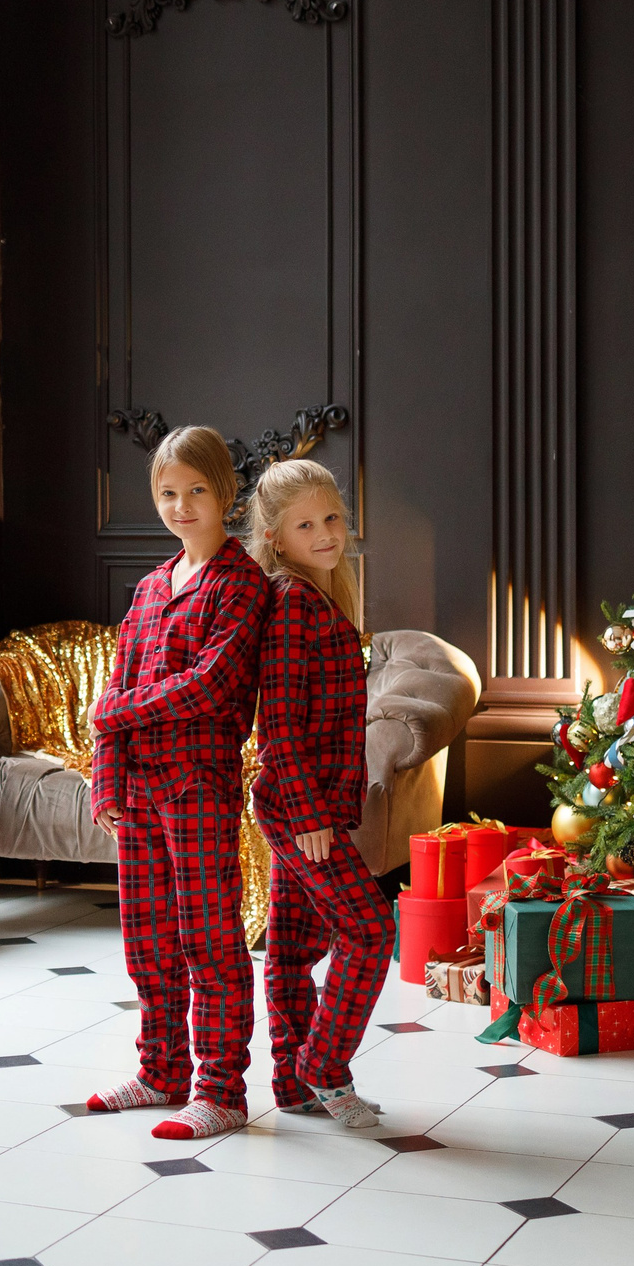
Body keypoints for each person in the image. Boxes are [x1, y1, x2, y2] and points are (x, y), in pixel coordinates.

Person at [85, 427, 271, 1141]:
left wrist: (118, 710)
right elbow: (118, 684)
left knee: (207, 939)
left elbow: (211, 685)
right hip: (136, 795)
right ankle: (160, 1071)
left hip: (197, 787)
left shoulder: (241, 584)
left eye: (196, 490)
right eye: (168, 493)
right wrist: (107, 782)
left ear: (226, 493)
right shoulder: (150, 586)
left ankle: (220, 1089)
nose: (182, 505)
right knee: (146, 939)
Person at [248, 459, 390, 1127]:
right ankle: (323, 1065)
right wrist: (308, 814)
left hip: (318, 808)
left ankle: (290, 1079)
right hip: (298, 808)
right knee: (369, 928)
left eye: (332, 517)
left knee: (294, 943)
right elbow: (277, 720)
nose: (327, 532)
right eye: (306, 525)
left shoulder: (327, 599)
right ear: (277, 537)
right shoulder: (290, 603)